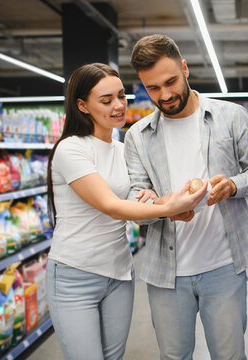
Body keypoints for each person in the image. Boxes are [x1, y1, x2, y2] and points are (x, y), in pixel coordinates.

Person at [45, 62, 208, 360]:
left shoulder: (122, 149)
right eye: (106, 101)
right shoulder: (71, 149)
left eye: (121, 96)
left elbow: (138, 197)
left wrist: (161, 199)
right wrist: (169, 207)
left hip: (119, 273)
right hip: (74, 274)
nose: (119, 106)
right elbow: (111, 206)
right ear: (82, 105)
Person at [125, 34, 248, 360]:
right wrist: (161, 207)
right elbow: (135, 201)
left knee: (230, 356)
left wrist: (232, 185)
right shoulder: (137, 136)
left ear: (185, 69)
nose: (164, 95)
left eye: (170, 81)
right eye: (152, 88)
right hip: (166, 273)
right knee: (174, 356)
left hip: (224, 266)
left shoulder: (230, 117)